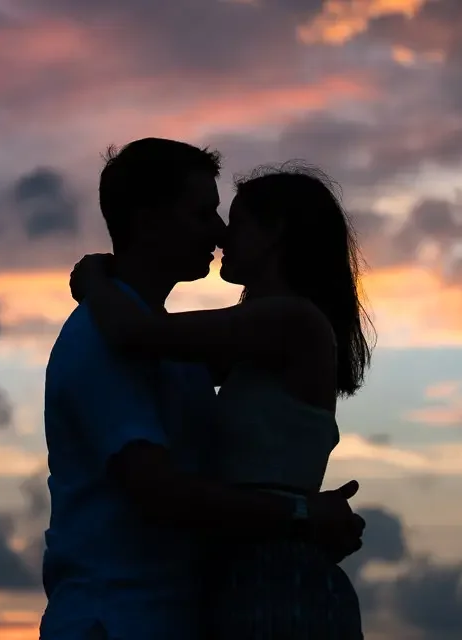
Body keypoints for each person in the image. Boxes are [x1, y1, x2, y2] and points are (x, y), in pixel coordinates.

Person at [40, 138, 365, 640]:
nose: (219, 233)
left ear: (275, 236)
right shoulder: (104, 339)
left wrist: (95, 279)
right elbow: (161, 491)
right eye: (204, 214)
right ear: (149, 220)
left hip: (221, 600)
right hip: (119, 620)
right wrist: (302, 514)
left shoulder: (210, 342)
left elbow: (141, 336)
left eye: (230, 219)